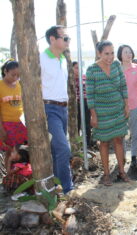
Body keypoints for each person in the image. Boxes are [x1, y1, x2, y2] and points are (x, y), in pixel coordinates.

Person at [86, 40, 130, 186]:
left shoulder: (117, 65)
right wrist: (93, 114)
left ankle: (122, 172)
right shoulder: (92, 70)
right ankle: (106, 175)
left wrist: (126, 105)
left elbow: (123, 85)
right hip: (101, 112)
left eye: (112, 53)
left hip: (117, 109)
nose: (110, 57)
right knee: (104, 142)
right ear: (99, 53)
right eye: (106, 54)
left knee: (118, 140)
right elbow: (90, 94)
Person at [40, 25, 74, 194]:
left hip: (63, 109)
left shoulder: (62, 59)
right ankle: (67, 188)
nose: (68, 41)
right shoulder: (40, 58)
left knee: (57, 149)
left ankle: (56, 187)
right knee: (63, 148)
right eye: (65, 38)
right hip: (49, 108)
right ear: (52, 39)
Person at [117, 45, 137, 167]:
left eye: (130, 52)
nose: (129, 54)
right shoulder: (116, 70)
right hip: (119, 107)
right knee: (121, 134)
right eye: (125, 52)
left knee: (135, 133)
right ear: (120, 55)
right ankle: (122, 157)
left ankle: (134, 156)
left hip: (135, 105)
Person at [0, 59, 28, 174]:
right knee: (10, 152)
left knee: (21, 151)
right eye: (13, 75)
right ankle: (8, 176)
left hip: (21, 124)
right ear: (5, 71)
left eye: (18, 75)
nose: (16, 78)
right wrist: (1, 129)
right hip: (6, 124)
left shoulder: (20, 85)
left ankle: (20, 175)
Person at [73, 61, 92, 148]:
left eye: (80, 68)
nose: (78, 70)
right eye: (76, 68)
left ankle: (88, 143)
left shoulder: (85, 77)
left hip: (86, 102)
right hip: (75, 103)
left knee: (87, 124)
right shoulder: (69, 79)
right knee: (77, 124)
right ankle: (77, 144)